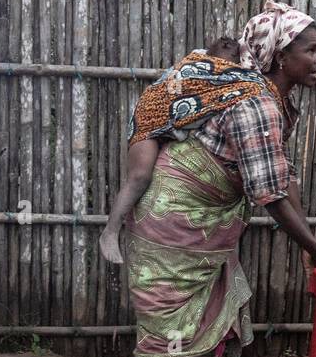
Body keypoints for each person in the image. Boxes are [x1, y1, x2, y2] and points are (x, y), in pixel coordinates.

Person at [126, 0, 316, 357]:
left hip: (202, 215)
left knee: (233, 289)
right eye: (310, 51)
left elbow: (279, 175)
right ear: (279, 57)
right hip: (173, 219)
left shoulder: (270, 99)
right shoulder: (254, 104)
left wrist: (313, 245)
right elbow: (271, 197)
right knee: (163, 320)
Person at [100, 36, 259, 265]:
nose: (232, 67)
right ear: (220, 50)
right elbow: (178, 87)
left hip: (173, 130)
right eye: (233, 60)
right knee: (139, 176)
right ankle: (110, 231)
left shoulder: (222, 78)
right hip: (149, 119)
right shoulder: (197, 66)